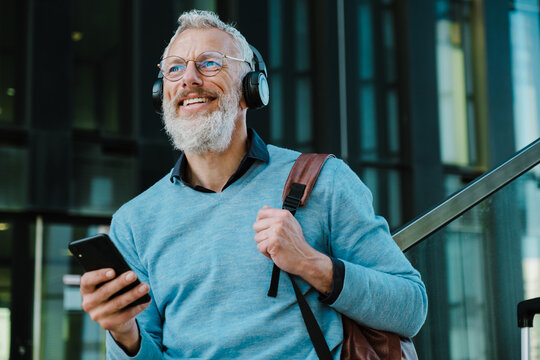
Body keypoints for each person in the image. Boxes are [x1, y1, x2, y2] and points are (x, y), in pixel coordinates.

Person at [79, 9, 428, 359]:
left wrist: (310, 263)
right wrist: (124, 333)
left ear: (252, 89)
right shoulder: (135, 222)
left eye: (210, 63)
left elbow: (410, 307)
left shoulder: (325, 181)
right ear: (162, 93)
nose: (188, 79)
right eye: (174, 68)